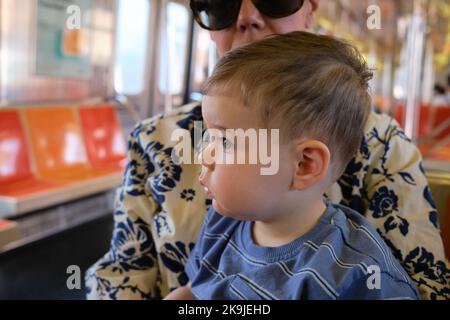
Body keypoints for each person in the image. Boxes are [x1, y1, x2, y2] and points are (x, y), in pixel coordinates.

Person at [86, 0, 449, 300]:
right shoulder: (155, 143)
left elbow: (425, 284)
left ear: (310, 10)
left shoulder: (381, 149)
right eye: (219, 5)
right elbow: (128, 275)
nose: (247, 17)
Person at [164, 31, 419, 300]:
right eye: (208, 137)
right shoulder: (221, 224)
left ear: (304, 165)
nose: (204, 154)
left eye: (225, 142)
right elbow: (193, 292)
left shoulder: (356, 274)